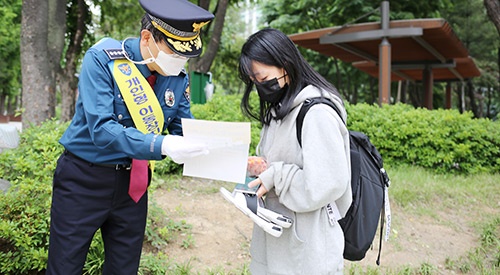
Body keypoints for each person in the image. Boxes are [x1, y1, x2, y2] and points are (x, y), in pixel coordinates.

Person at [46, 0, 214, 274]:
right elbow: (101, 130)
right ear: (147, 37)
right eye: (173, 52)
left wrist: (233, 154)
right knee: (65, 266)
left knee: (125, 268)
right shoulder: (103, 59)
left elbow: (184, 131)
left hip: (133, 186)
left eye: (185, 55)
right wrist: (163, 144)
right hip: (83, 180)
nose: (179, 61)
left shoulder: (176, 76)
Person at [239, 28, 353, 274]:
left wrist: (275, 176)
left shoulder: (317, 114)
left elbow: (325, 184)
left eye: (261, 77)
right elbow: (279, 163)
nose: (258, 86)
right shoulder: (279, 109)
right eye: (253, 81)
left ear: (285, 65)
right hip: (277, 239)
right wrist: (261, 168)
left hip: (308, 250)